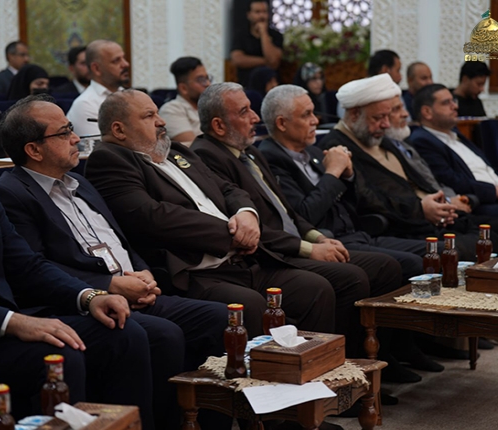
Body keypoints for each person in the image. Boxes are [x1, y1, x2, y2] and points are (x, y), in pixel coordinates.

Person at [0, 82, 154, 429]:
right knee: (59, 357)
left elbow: (25, 264)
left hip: (5, 326)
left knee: (123, 334)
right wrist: (12, 322)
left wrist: (88, 296)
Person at [0, 94, 225, 428]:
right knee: (163, 334)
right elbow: (35, 267)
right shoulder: (11, 193)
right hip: (86, 300)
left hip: (132, 287)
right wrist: (108, 286)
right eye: (64, 133)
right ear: (34, 150)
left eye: (71, 129)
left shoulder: (80, 182)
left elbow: (120, 240)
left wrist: (142, 271)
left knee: (217, 318)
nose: (76, 138)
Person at [85, 89, 335, 337]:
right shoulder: (109, 160)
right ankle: (266, 364)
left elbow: (228, 188)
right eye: (149, 116)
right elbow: (153, 216)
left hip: (242, 262)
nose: (161, 121)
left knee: (314, 288)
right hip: (196, 272)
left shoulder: (177, 152)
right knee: (249, 305)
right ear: (119, 130)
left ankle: (311, 360)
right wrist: (232, 235)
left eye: (158, 114)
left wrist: (246, 213)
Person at [191, 82, 402, 358]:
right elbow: (251, 226)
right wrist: (309, 249)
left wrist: (317, 237)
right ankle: (337, 362)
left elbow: (288, 211)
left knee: (385, 266)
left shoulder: (249, 151)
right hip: (269, 253)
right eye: (244, 112)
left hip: (295, 241)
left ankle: (378, 358)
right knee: (346, 279)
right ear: (219, 126)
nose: (255, 118)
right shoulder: (207, 156)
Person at [317, 74, 498, 260]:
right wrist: (421, 209)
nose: (386, 125)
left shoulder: (379, 139)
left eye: (387, 116)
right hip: (399, 227)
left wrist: (441, 203)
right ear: (354, 114)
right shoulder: (337, 148)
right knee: (473, 244)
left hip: (429, 218)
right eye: (378, 118)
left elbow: (417, 181)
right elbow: (367, 198)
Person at [258, 84, 426, 282]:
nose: (315, 120)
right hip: (328, 242)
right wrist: (333, 172)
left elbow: (355, 205)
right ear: (281, 123)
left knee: (437, 249)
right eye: (306, 114)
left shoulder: (312, 151)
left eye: (313, 112)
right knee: (412, 263)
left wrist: (348, 176)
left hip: (358, 234)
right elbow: (303, 215)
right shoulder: (270, 159)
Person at [410, 83, 498, 237]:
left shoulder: (455, 134)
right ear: (427, 112)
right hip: (479, 202)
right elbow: (453, 181)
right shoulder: (422, 140)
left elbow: (489, 167)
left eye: (453, 101)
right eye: (446, 103)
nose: (455, 106)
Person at [67, 40, 130, 138]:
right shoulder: (85, 104)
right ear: (96, 69)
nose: (125, 64)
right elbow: (99, 145)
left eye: (123, 58)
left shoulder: (129, 96)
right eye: (116, 61)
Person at [158, 56, 212, 145]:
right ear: (183, 88)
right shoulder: (171, 110)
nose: (208, 84)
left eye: (207, 78)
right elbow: (196, 147)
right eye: (201, 79)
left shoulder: (210, 107)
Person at [230, 0, 283, 86]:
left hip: (271, 85)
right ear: (249, 15)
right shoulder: (241, 35)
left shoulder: (276, 36)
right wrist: (266, 61)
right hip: (247, 84)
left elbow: (274, 61)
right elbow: (237, 60)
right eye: (257, 12)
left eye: (264, 12)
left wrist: (263, 34)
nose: (262, 16)